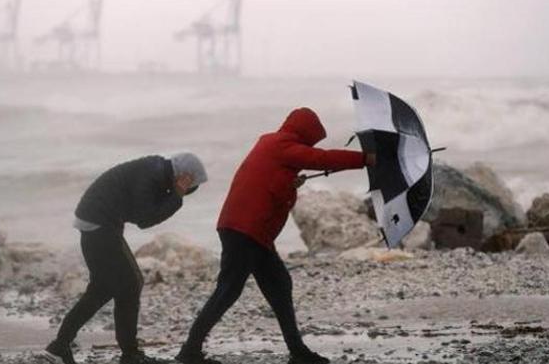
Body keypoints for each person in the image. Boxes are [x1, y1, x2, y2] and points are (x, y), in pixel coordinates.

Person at [176, 108, 375, 364]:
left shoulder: (273, 146)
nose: (311, 144)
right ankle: (189, 351)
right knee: (227, 291)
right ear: (304, 133)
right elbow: (321, 159)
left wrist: (289, 184)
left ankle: (297, 352)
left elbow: (276, 195)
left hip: (253, 234)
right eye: (311, 139)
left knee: (279, 285)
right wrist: (366, 159)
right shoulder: (280, 144)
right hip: (243, 230)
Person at [43, 153, 208, 364]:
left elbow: (137, 210)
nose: (189, 191)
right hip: (99, 225)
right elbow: (145, 219)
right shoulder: (152, 174)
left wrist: (174, 194)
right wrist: (176, 196)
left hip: (98, 223)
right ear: (183, 176)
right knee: (131, 283)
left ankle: (60, 346)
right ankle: (129, 355)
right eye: (190, 186)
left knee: (103, 289)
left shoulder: (156, 171)